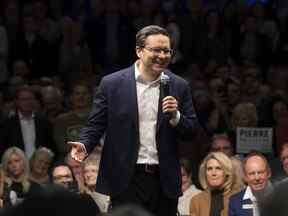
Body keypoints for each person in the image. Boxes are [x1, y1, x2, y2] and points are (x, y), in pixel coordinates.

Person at [68, 25, 197, 215]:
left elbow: (191, 130)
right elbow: (96, 124)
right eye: (156, 50)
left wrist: (176, 116)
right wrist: (84, 144)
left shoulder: (179, 85)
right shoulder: (111, 84)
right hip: (126, 178)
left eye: (167, 51)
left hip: (163, 179)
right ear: (139, 50)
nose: (162, 55)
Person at [189, 152, 241, 216]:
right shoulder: (196, 200)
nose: (213, 173)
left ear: (227, 172)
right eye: (209, 169)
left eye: (218, 168)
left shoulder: (238, 197)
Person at [228, 152, 273, 216]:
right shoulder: (235, 201)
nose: (257, 178)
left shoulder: (281, 197)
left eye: (260, 172)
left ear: (269, 173)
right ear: (245, 177)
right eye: (252, 174)